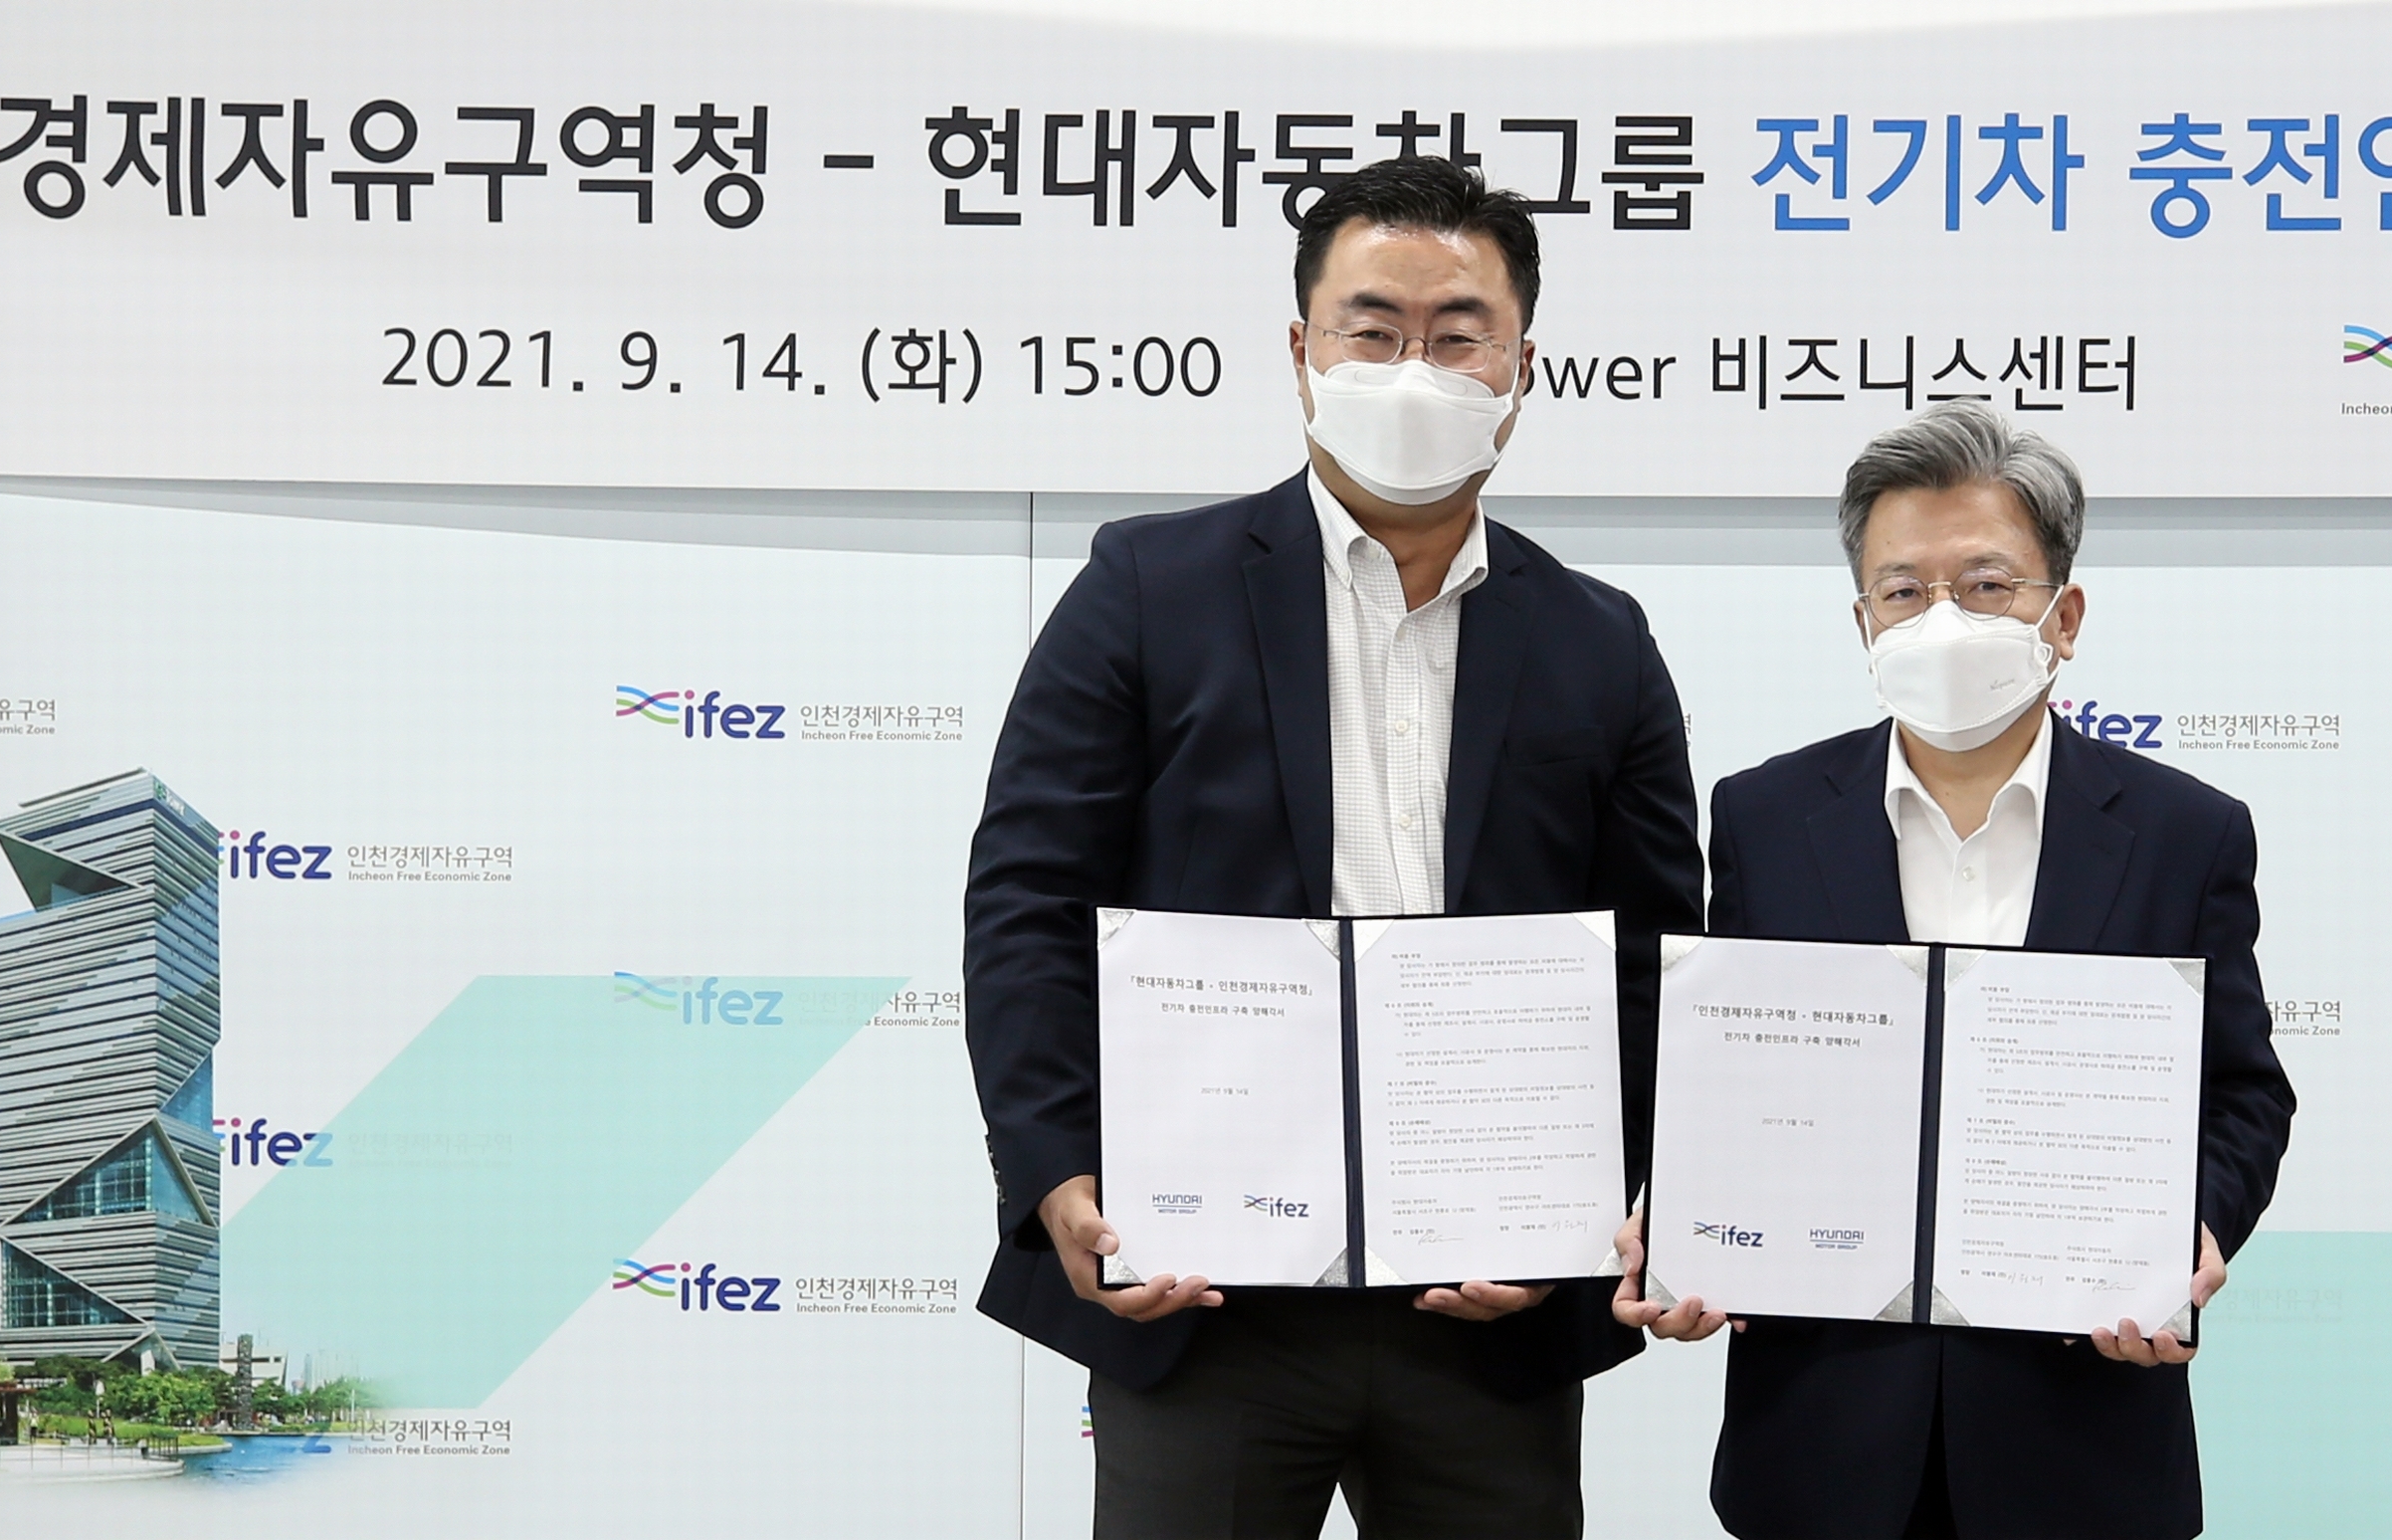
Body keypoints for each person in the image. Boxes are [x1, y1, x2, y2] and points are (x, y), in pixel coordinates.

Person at [965, 154, 1701, 1540]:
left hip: (1486, 1307)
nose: (1413, 369)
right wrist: (1056, 1171)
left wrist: (1579, 1209)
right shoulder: (1147, 587)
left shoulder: (1599, 639)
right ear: (1301, 351)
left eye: (1458, 333)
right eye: (1373, 330)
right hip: (1208, 1292)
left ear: (1521, 367)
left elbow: (1651, 963)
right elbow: (1029, 901)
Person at [1613, 402, 2297, 1540]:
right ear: (1863, 621)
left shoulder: (2185, 831)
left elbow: (2241, 1093)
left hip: (2079, 1426)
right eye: (1903, 590)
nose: (1942, 619)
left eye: (1986, 585)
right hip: (1822, 1434)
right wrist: (1681, 1224)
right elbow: (1729, 1079)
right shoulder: (1765, 816)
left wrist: (2193, 1235)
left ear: (2063, 615)